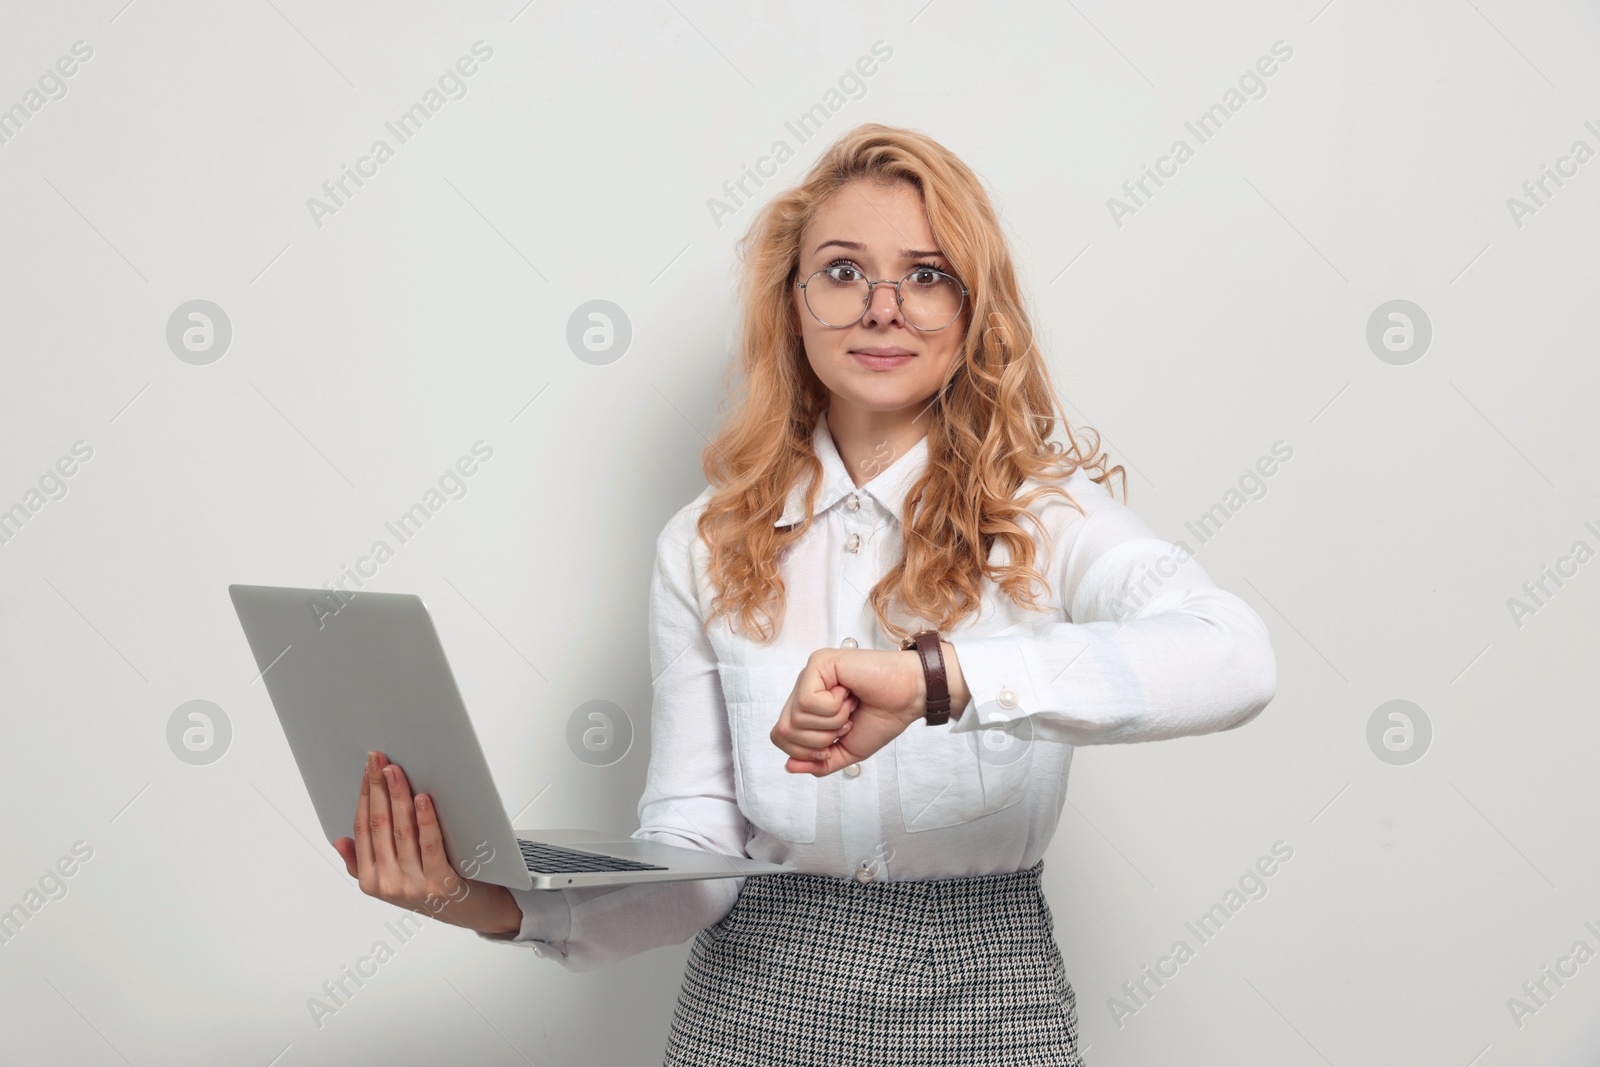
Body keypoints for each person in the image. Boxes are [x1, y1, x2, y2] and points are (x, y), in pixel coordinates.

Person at [332, 123, 1278, 1066]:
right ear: (792, 304)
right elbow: (692, 869)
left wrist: (935, 680)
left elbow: (1232, 656)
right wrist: (475, 898)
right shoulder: (705, 545)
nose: (882, 308)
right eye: (841, 272)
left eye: (926, 274)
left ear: (974, 310)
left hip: (991, 1007)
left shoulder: (1048, 518)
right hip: (750, 1013)